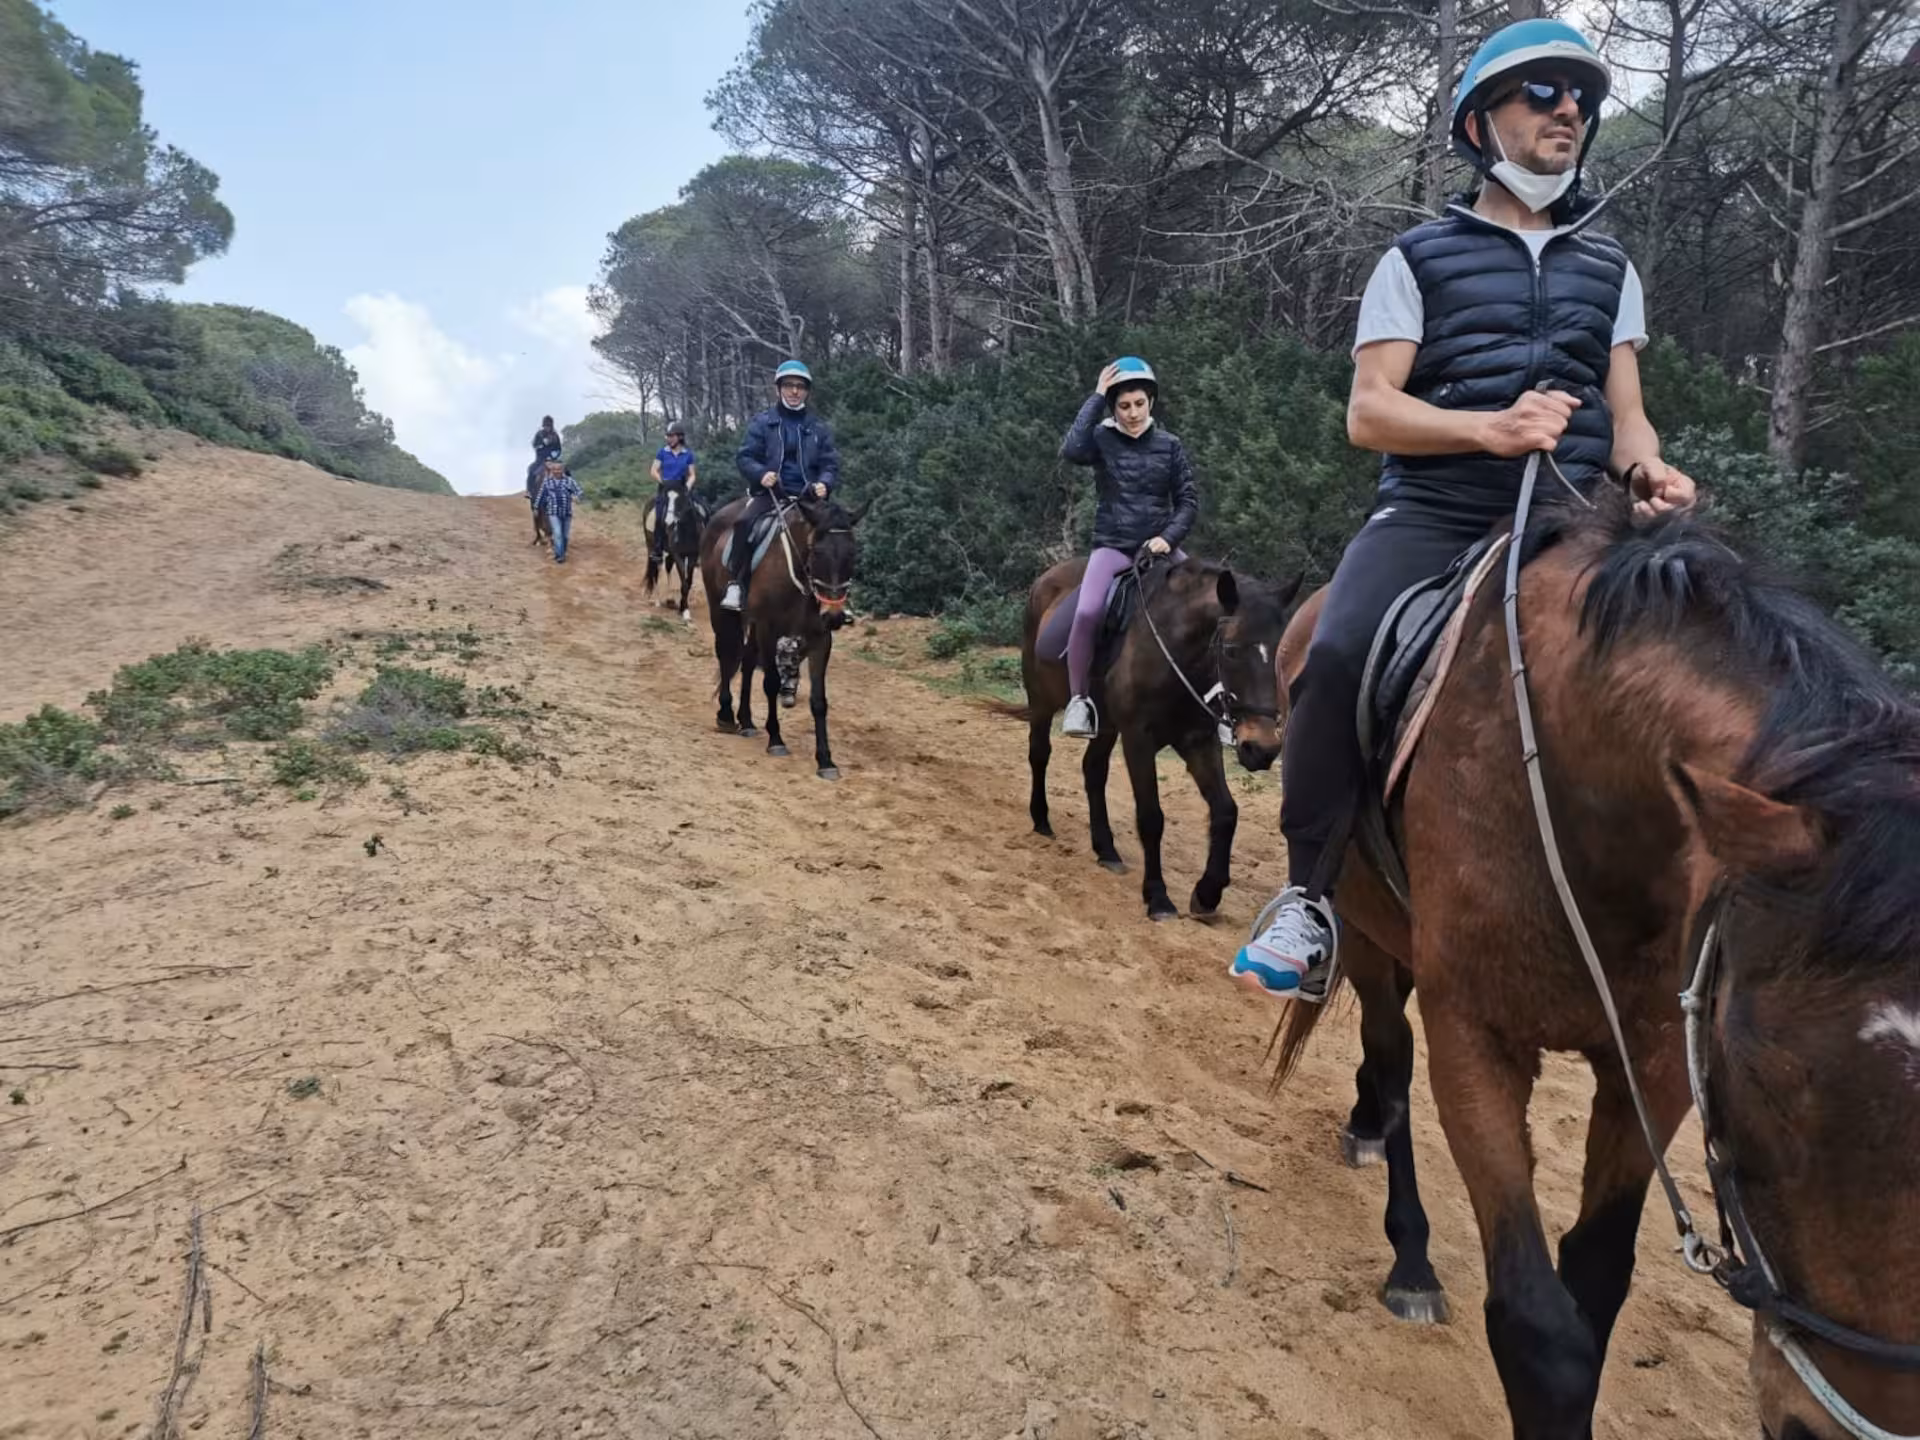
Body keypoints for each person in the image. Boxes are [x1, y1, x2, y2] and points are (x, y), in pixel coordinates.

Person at [1230, 18, 1697, 1003]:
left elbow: (1629, 422)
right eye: (1544, 94)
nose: (1569, 110)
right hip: (1436, 514)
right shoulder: (1417, 259)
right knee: (1337, 656)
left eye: (1581, 99)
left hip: (1578, 522)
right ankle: (1308, 902)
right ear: (1483, 123)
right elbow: (1370, 412)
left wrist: (1653, 471)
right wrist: (1490, 429)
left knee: (1711, 649)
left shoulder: (1610, 269)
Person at [1056, 356, 1199, 738]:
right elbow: (1071, 450)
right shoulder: (1100, 440)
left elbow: (1187, 502)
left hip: (1160, 550)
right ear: (1113, 407)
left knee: (1206, 606)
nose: (1133, 413)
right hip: (1114, 547)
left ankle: (1211, 704)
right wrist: (1096, 395)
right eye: (1123, 405)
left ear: (1150, 402)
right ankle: (1079, 702)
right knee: (1087, 613)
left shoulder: (1171, 446)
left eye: (1139, 403)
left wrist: (1168, 538)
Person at [724, 360, 841, 612]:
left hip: (808, 498)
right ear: (778, 389)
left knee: (838, 535)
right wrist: (761, 474)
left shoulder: (818, 427)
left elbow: (830, 463)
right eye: (789, 385)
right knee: (743, 523)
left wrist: (825, 483)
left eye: (800, 386)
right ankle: (736, 583)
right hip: (770, 494)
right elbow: (745, 457)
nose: (795, 391)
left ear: (807, 391)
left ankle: (836, 597)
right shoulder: (762, 423)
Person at [649, 421, 698, 560]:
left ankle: (697, 545)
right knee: (659, 516)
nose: (669, 438)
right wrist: (662, 481)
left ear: (679, 437)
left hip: (682, 488)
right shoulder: (662, 452)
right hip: (665, 488)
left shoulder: (688, 454)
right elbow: (653, 470)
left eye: (672, 436)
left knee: (699, 511)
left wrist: (688, 486)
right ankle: (658, 549)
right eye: (668, 436)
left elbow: (692, 474)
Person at [533, 457, 583, 565]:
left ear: (562, 470)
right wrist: (536, 507)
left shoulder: (569, 481)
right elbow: (541, 496)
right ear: (551, 470)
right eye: (554, 469)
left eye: (559, 469)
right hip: (553, 512)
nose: (556, 471)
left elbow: (579, 491)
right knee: (558, 533)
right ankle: (559, 556)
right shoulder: (547, 482)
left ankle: (562, 552)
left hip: (566, 512)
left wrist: (576, 496)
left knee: (565, 536)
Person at [527, 415, 563, 494]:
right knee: (531, 470)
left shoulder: (555, 436)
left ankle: (569, 492)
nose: (547, 427)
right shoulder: (539, 434)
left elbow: (559, 449)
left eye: (548, 426)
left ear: (551, 426)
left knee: (566, 471)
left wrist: (552, 456)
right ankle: (529, 491)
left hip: (553, 459)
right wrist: (541, 445)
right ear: (543, 425)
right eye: (546, 426)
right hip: (540, 459)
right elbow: (534, 445)